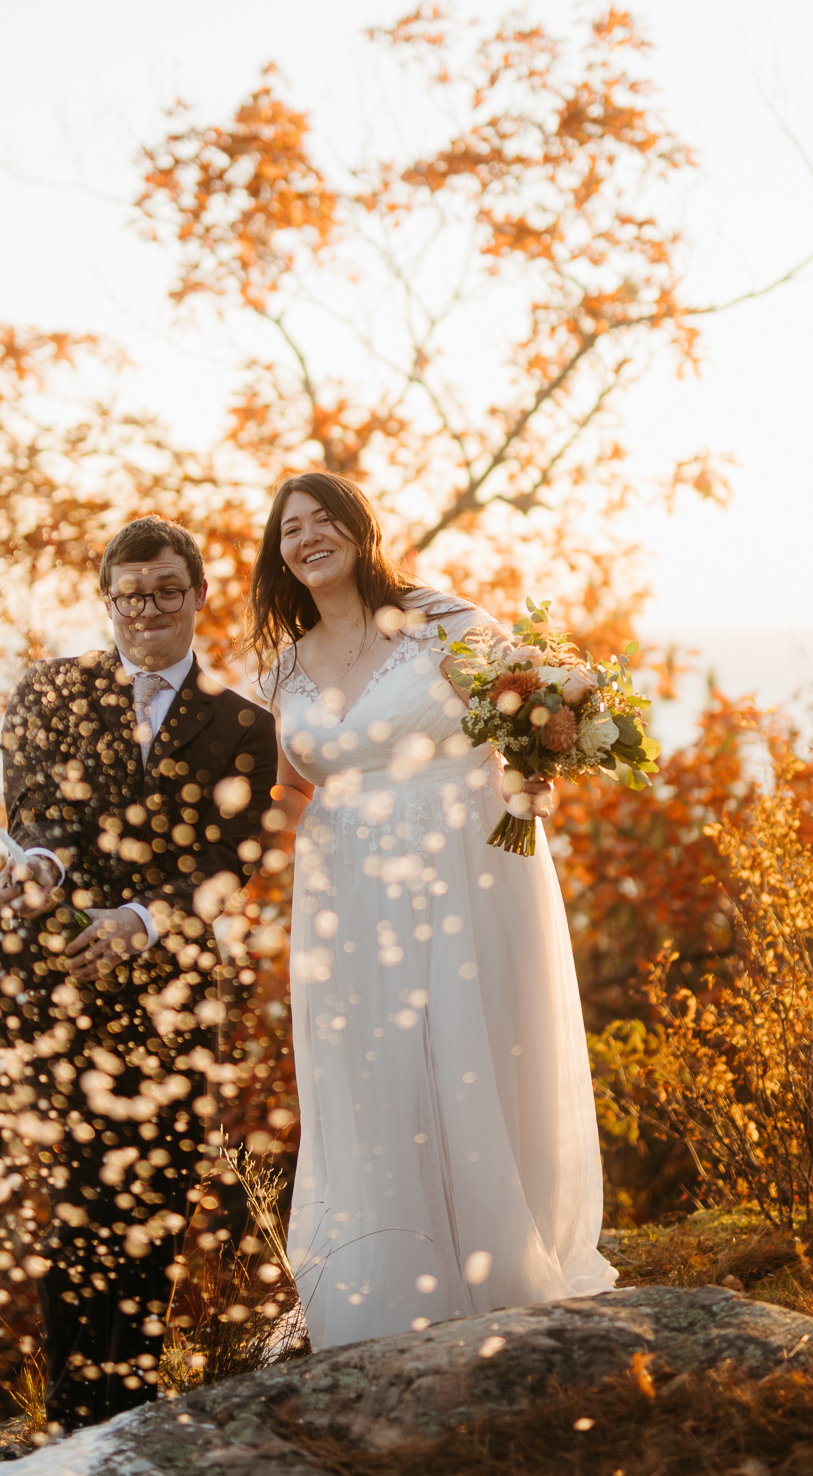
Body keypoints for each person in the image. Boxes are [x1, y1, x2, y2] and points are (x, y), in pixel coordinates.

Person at [247, 471, 616, 1351]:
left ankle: (499, 1261)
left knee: (472, 1049)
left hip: (465, 864)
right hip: (343, 884)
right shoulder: (281, 670)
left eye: (325, 519)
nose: (309, 537)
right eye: (290, 528)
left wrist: (533, 777)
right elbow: (290, 788)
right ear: (279, 554)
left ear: (359, 529)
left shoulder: (444, 622)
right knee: (371, 1064)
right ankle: (394, 1274)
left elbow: (523, 715)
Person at [0, 516, 277, 1426]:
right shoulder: (51, 691)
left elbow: (233, 860)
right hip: (68, 987)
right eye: (129, 594)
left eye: (165, 591)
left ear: (198, 596)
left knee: (163, 1199)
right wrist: (43, 868)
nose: (146, 609)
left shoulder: (244, 723)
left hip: (180, 992)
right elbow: (35, 813)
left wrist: (142, 921)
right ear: (108, 601)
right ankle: (72, 1418)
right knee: (77, 1205)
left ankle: (132, 1413)